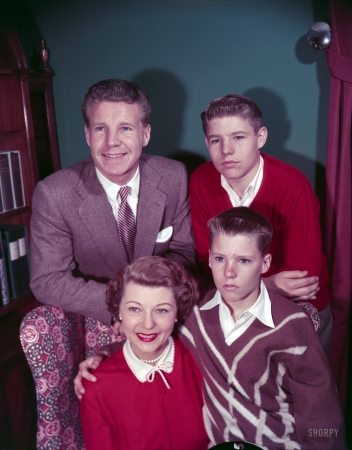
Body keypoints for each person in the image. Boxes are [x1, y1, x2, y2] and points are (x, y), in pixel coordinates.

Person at [75, 207, 345, 449]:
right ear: (210, 259)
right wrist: (103, 356)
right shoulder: (194, 314)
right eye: (220, 259)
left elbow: (322, 412)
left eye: (243, 261)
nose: (229, 272)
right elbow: (151, 335)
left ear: (265, 264)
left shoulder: (291, 324)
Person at [30, 78, 195, 325]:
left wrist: (150, 304)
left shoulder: (174, 177)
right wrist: (120, 309)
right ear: (87, 134)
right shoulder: (54, 194)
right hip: (98, 315)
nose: (111, 142)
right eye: (100, 129)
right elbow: (48, 279)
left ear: (145, 134)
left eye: (125, 128)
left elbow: (184, 253)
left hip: (163, 310)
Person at [190, 94, 332, 353]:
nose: (226, 150)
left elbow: (301, 279)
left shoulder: (293, 185)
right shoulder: (201, 180)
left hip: (298, 307)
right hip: (232, 301)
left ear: (261, 137)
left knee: (294, 389)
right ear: (206, 143)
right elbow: (206, 260)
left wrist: (239, 280)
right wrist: (269, 282)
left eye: (238, 137)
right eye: (216, 140)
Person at [80, 256, 209, 450]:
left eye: (162, 310)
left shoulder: (202, 360)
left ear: (177, 313)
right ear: (119, 312)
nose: (148, 324)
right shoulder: (96, 389)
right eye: (134, 309)